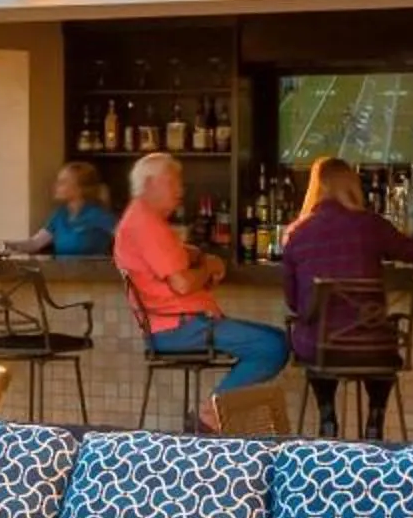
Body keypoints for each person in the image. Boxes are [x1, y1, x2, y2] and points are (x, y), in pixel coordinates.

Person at [278, 157, 413, 437]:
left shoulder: (296, 235)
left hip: (320, 350)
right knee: (380, 342)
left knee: (318, 341)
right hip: (373, 347)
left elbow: (293, 302)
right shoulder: (371, 225)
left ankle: (327, 415)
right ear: (352, 186)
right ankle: (375, 418)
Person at [115, 152, 288, 398]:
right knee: (272, 346)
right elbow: (183, 284)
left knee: (277, 338)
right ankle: (212, 415)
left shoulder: (142, 221)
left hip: (182, 325)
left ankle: (216, 414)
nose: (180, 191)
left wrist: (199, 257)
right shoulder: (146, 224)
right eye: (172, 182)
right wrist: (208, 267)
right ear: (150, 183)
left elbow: (174, 256)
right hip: (180, 328)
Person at [19, 161, 117, 258]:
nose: (56, 186)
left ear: (80, 188)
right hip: (62, 273)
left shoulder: (98, 215)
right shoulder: (60, 215)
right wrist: (6, 245)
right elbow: (35, 243)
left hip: (92, 273)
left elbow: (125, 239)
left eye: (62, 182)